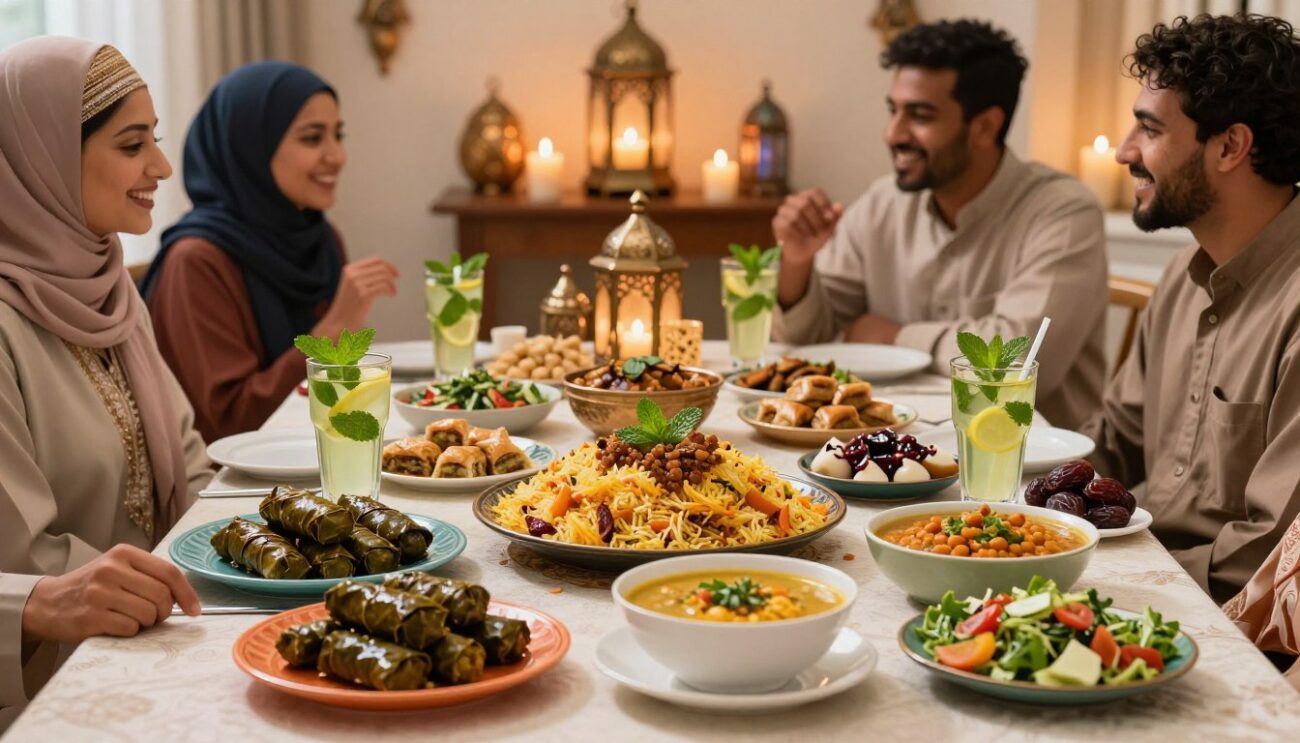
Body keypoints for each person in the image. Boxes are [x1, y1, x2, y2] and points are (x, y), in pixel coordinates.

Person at [0, 37, 210, 727]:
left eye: (156, 139)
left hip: (161, 635)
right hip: (61, 686)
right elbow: (29, 564)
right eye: (131, 145)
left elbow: (193, 462)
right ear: (45, 158)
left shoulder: (109, 288)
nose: (160, 166)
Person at [772, 19, 1107, 429]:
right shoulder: (882, 203)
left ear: (984, 126)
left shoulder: (1063, 213)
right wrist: (797, 261)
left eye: (920, 115)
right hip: (900, 453)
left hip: (1033, 470)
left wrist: (893, 337)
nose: (893, 133)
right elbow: (805, 344)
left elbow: (1017, 366)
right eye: (893, 111)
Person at [1080, 14, 1300, 610]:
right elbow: (1113, 446)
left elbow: (1269, 558)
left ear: (1230, 146)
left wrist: (1101, 581)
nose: (1126, 151)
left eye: (1149, 129)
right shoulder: (1182, 275)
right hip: (1133, 574)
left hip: (1229, 626)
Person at [140, 61, 398, 443]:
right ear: (250, 148)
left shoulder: (321, 239)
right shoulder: (196, 262)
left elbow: (340, 395)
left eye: (337, 135)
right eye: (312, 138)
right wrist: (332, 330)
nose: (337, 155)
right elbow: (226, 424)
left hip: (311, 460)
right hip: (233, 488)